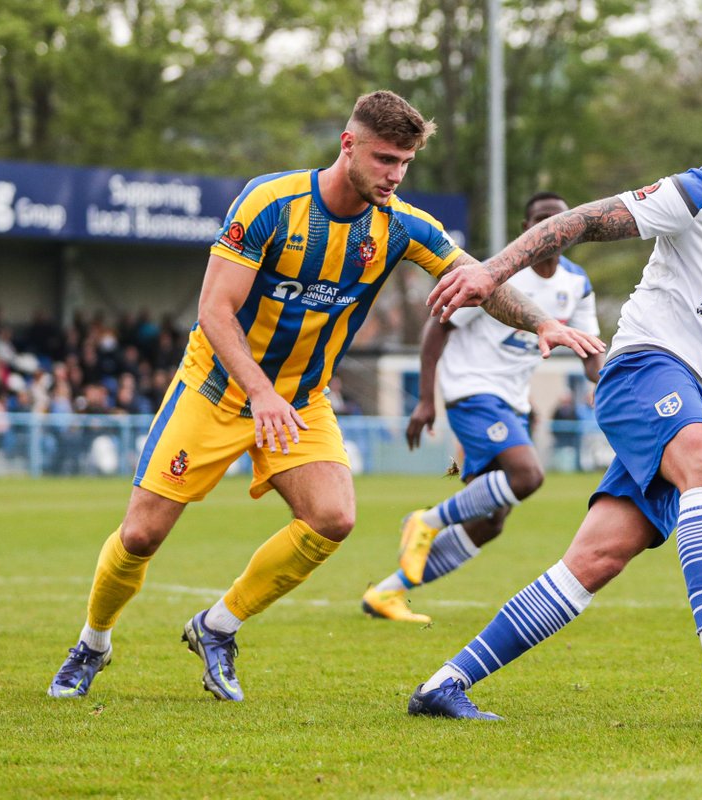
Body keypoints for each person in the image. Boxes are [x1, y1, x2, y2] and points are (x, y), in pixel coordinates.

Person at [46, 90, 604, 701]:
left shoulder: (399, 226)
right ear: (349, 145)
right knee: (140, 537)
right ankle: (92, 644)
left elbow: (477, 278)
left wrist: (541, 323)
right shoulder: (269, 203)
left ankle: (217, 626)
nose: (395, 175)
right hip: (215, 390)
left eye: (405, 163)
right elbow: (215, 309)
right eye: (385, 159)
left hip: (302, 399)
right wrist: (258, 392)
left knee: (333, 518)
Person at [408, 98, 702, 720]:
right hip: (645, 367)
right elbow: (584, 221)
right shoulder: (701, 195)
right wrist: (492, 270)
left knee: (595, 560)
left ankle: (443, 685)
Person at [362, 192, 603, 623]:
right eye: (541, 221)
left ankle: (386, 592)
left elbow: (589, 351)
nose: (551, 229)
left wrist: (608, 381)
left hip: (512, 401)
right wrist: (425, 399)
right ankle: (426, 520)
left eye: (559, 221)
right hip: (472, 390)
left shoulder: (576, 283)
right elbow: (438, 330)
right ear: (525, 229)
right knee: (527, 476)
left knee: (490, 521)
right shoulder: (496, 277)